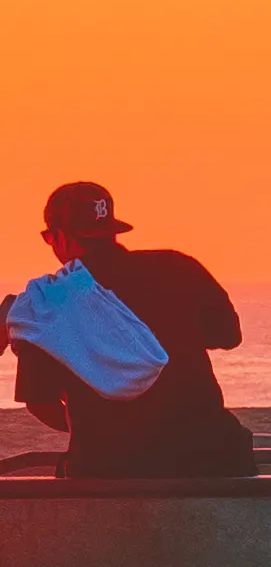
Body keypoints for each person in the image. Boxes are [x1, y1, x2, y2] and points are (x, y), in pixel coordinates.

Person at [10, 179, 255, 484]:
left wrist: (104, 430)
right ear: (112, 231)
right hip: (211, 457)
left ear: (59, 237)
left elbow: (40, 403)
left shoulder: (47, 305)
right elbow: (229, 336)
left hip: (109, 469)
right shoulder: (179, 267)